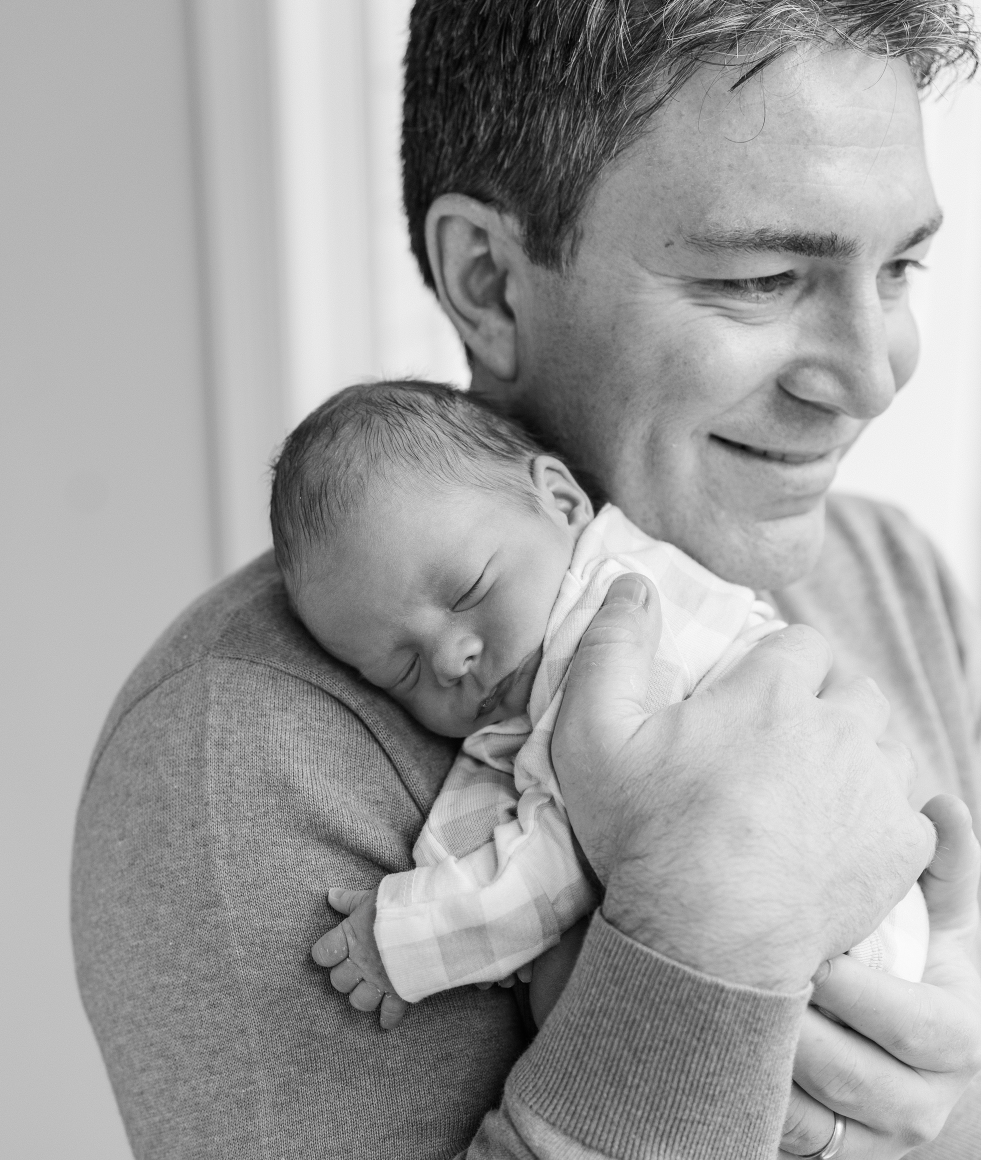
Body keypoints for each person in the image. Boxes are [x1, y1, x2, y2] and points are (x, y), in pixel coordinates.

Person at [72, 0, 981, 1160]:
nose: (871, 372)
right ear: (490, 277)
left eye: (904, 270)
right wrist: (707, 927)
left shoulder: (884, 570)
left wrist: (925, 1110)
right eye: (764, 279)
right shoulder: (244, 743)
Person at [268, 377, 928, 1022]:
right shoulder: (558, 638)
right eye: (401, 668)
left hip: (834, 952)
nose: (449, 659)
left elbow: (559, 863)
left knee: (568, 987)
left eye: (469, 590)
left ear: (560, 500)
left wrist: (405, 943)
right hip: (853, 942)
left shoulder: (607, 625)